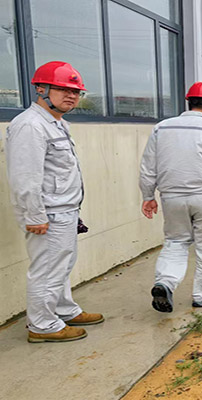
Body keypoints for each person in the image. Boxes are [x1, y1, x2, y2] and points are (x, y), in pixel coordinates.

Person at [5, 61, 104, 343]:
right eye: (63, 89)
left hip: (63, 210)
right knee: (47, 270)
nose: (71, 96)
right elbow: (25, 177)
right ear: (41, 89)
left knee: (61, 266)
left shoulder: (56, 123)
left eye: (76, 91)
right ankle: (43, 325)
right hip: (48, 214)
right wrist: (34, 215)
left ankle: (62, 310)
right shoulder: (31, 125)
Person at [139, 82, 202, 312]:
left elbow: (148, 166)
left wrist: (148, 195)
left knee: (175, 242)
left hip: (172, 197)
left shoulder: (162, 128)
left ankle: (165, 282)